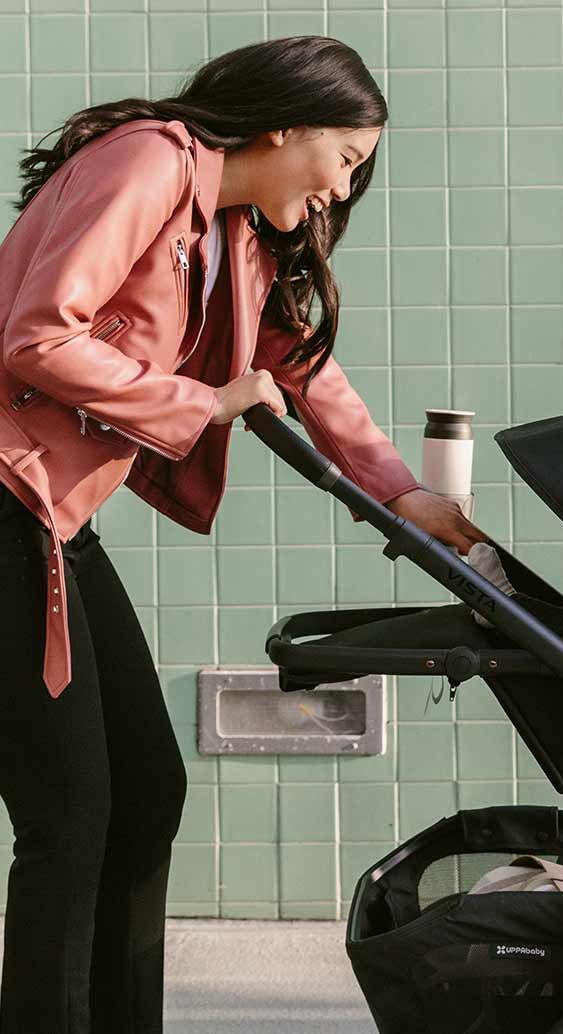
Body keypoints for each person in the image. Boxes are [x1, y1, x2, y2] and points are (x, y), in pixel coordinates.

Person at [0, 34, 487, 1033]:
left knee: (143, 793)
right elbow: (38, 334)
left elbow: (304, 373)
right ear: (285, 124)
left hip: (48, 514)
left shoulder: (235, 235)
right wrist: (201, 399)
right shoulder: (147, 160)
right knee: (70, 813)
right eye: (344, 160)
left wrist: (401, 497)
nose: (340, 191)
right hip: (6, 501)